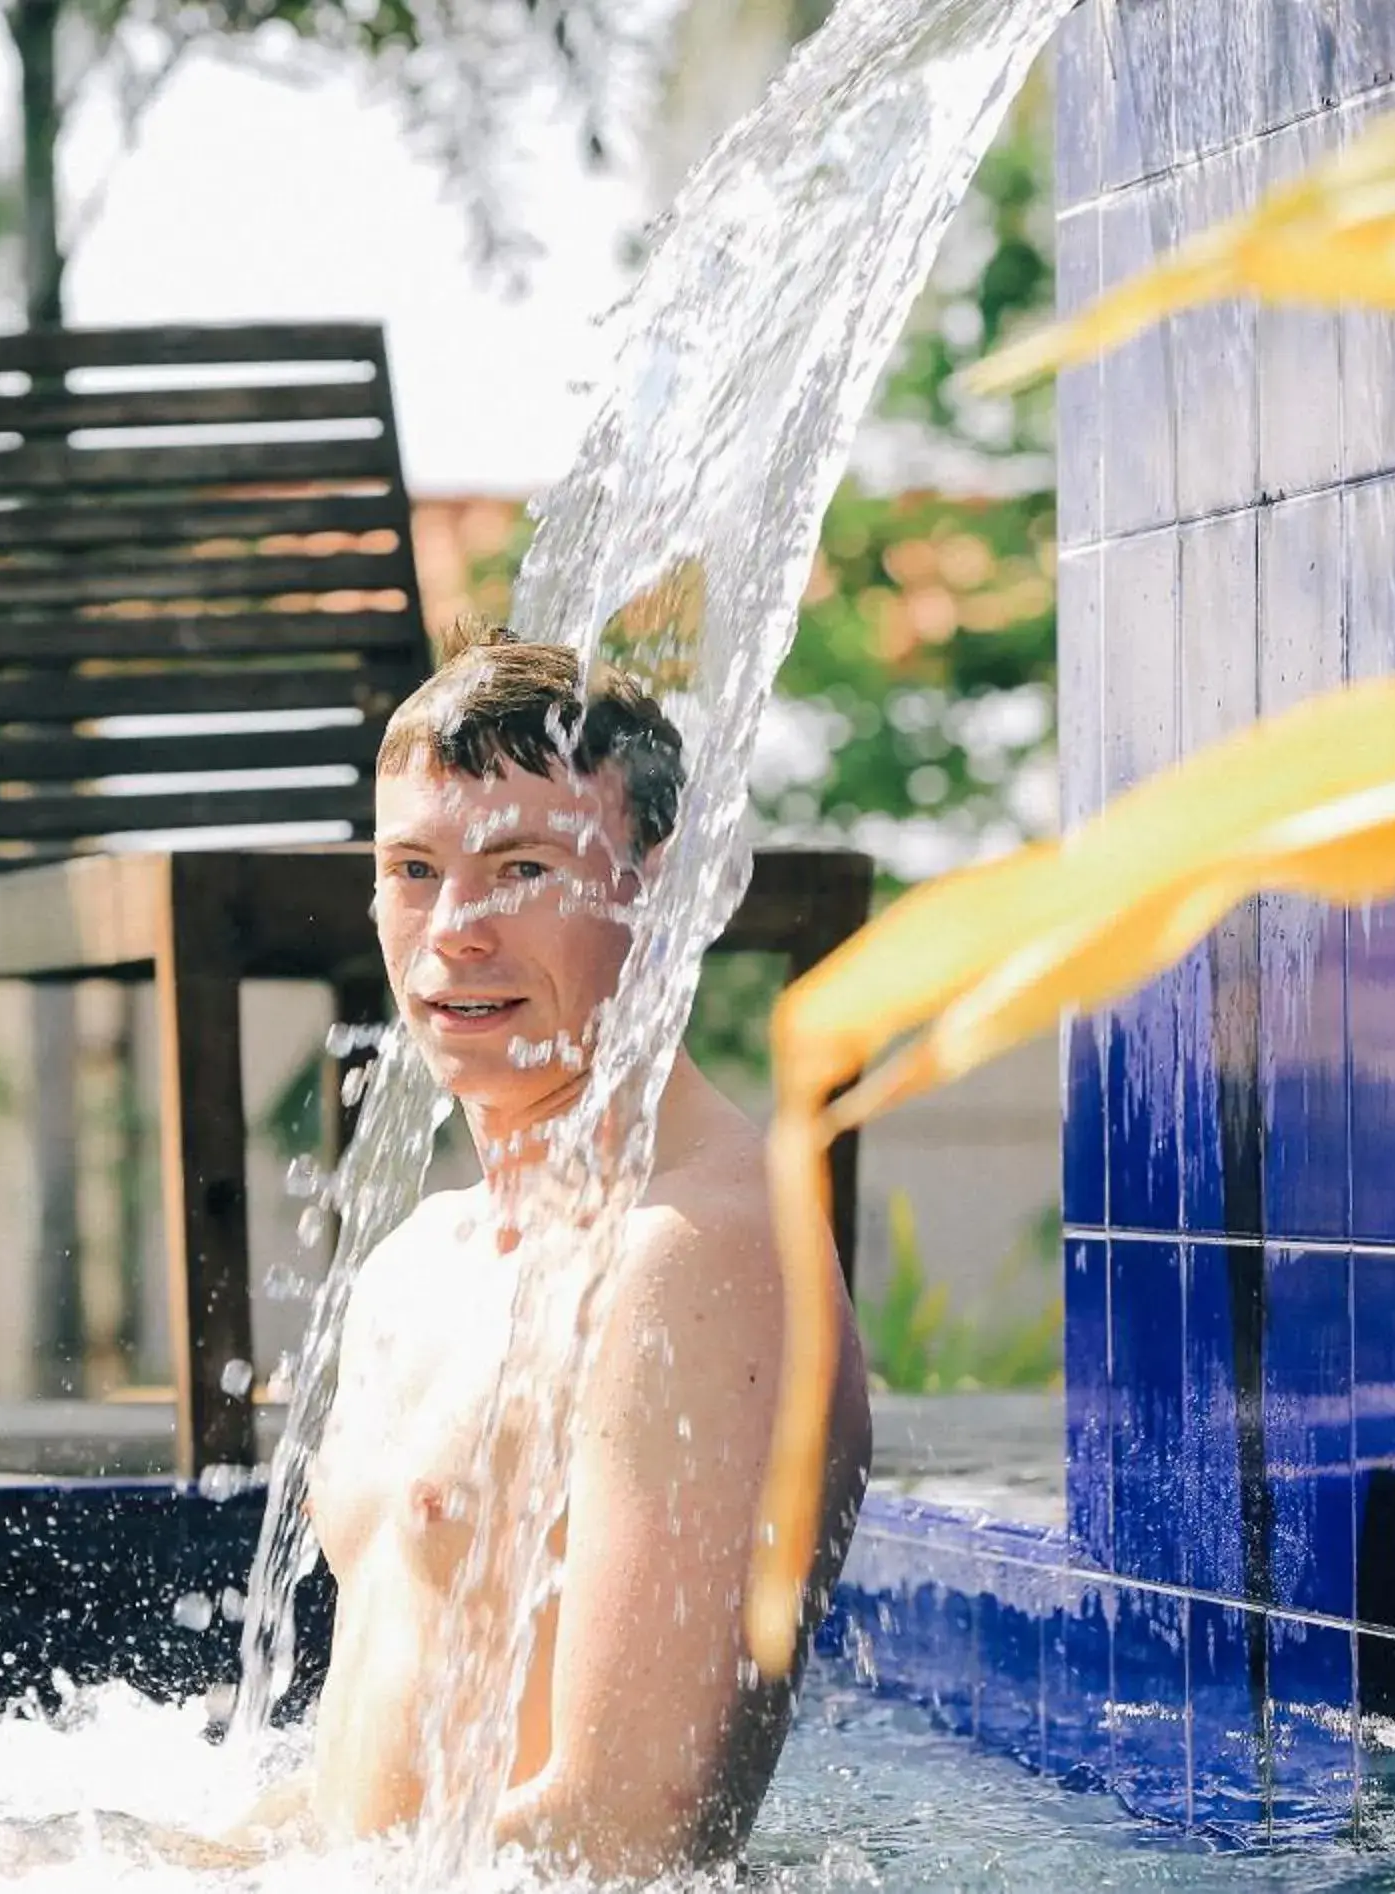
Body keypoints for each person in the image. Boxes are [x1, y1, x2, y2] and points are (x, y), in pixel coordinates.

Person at [281, 628, 874, 1878]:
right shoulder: (417, 1261)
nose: (455, 932)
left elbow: (624, 1828)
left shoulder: (696, 1255)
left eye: (524, 867)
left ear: (661, 889)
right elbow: (370, 1794)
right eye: (413, 868)